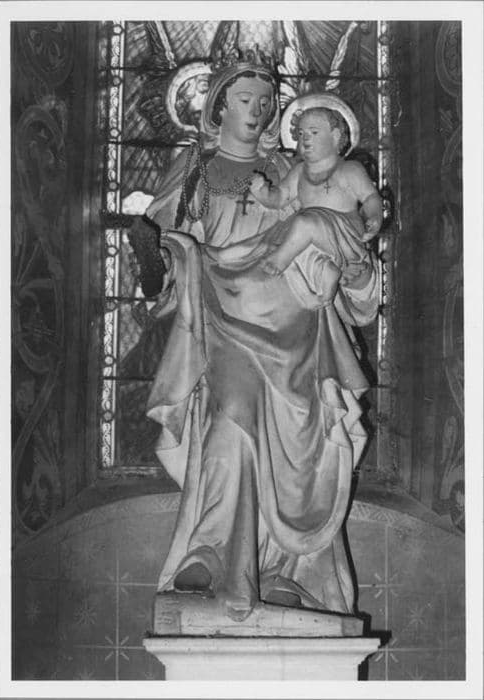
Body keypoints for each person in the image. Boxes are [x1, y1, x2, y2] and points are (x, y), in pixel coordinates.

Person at [137, 55, 379, 621]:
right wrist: (163, 262)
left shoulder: (287, 168)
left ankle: (288, 572)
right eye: (247, 99)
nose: (260, 110)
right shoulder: (192, 169)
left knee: (303, 437)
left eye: (268, 102)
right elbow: (165, 249)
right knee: (232, 421)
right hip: (223, 313)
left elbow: (330, 236)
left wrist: (353, 270)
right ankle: (211, 554)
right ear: (219, 105)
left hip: (293, 322)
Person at [249, 97, 383, 277]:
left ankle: (279, 260)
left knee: (304, 223)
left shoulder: (349, 169)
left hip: (345, 235)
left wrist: (374, 217)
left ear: (335, 136)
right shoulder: (299, 171)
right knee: (287, 230)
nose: (305, 138)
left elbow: (370, 197)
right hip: (312, 238)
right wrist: (263, 193)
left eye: (314, 132)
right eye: (301, 133)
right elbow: (280, 197)